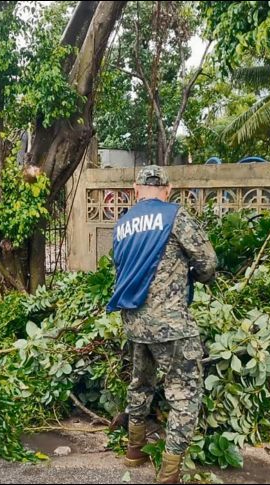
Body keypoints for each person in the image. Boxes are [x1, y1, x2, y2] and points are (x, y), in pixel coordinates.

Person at [106, 165, 217, 484]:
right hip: (170, 324)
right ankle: (169, 473)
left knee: (140, 384)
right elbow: (208, 263)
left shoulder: (123, 224)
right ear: (167, 190)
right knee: (184, 393)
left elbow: (120, 266)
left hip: (135, 322)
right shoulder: (174, 216)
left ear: (136, 190)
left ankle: (134, 450)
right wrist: (195, 276)